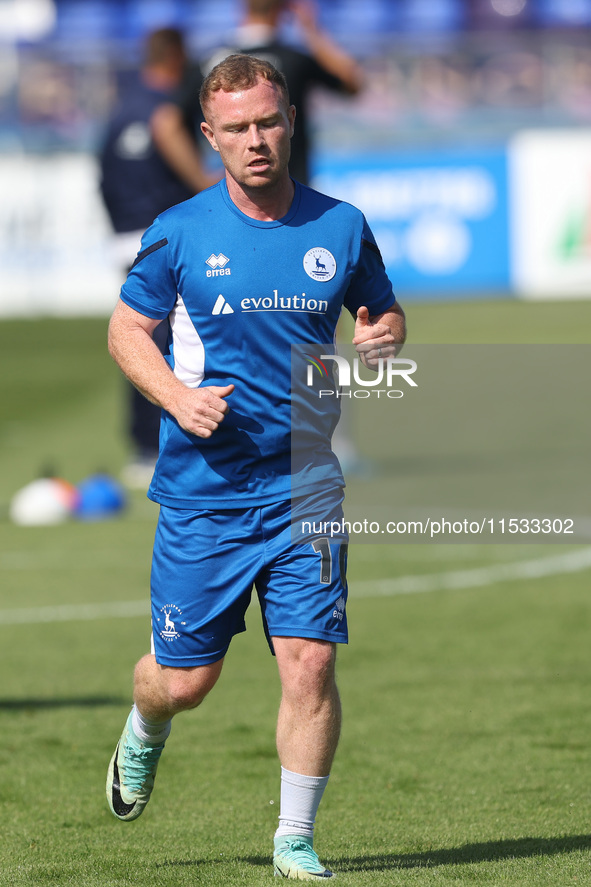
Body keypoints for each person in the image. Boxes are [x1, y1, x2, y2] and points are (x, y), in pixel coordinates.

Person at [105, 54, 405, 880]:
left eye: (267, 121)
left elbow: (380, 311)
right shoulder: (180, 230)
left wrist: (383, 335)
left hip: (305, 483)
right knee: (185, 680)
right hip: (205, 493)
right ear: (210, 136)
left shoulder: (340, 224)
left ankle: (294, 837)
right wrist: (174, 395)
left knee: (309, 659)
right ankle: (144, 726)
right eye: (235, 128)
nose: (255, 140)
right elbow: (127, 331)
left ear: (289, 122)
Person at [99, 27, 216, 487]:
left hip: (126, 233)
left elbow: (102, 174)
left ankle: (146, 443)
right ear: (174, 56)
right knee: (168, 338)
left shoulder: (122, 105)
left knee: (142, 331)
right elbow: (167, 130)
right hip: (162, 235)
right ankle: (155, 444)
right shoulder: (166, 105)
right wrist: (209, 186)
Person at [203, 0, 363, 184]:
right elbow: (352, 83)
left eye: (268, 123)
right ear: (283, 11)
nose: (256, 141)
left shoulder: (209, 62)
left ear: (242, 8)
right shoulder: (295, 60)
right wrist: (311, 29)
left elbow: (169, 119)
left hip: (230, 193)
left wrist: (199, 178)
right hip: (292, 191)